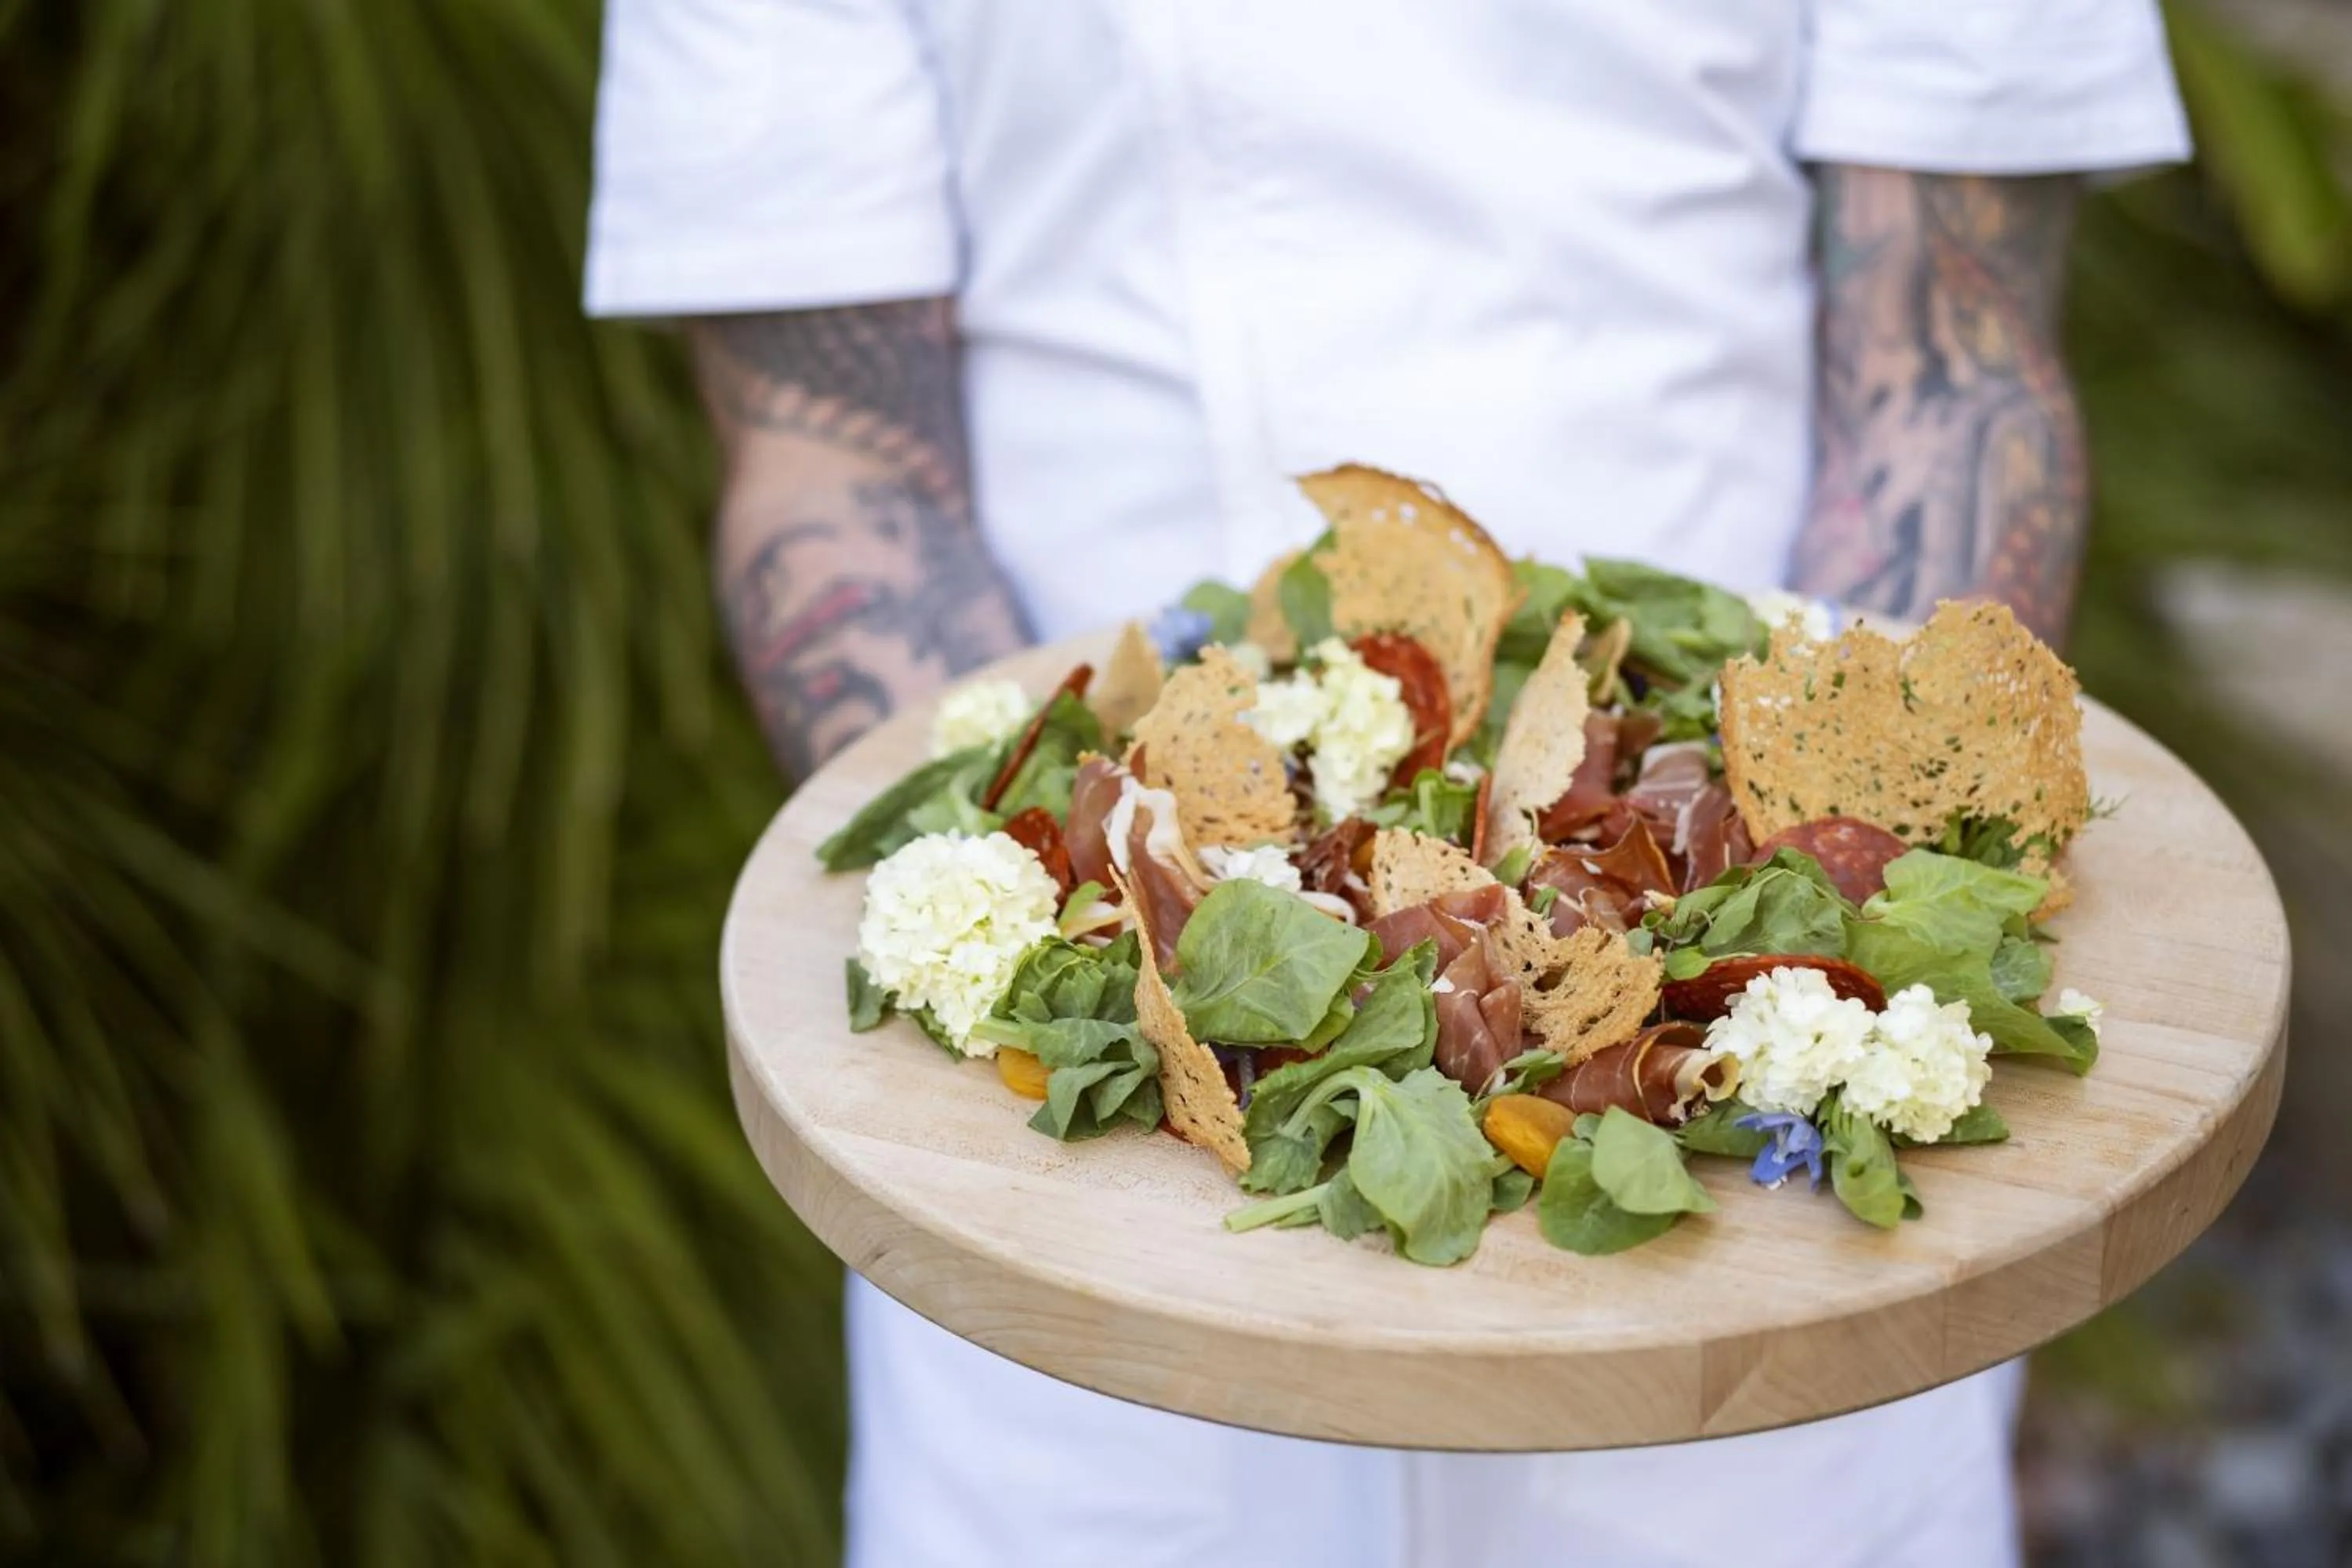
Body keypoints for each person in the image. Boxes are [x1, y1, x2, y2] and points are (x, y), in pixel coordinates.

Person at [587, 5, 2187, 1564]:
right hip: (1093, 1270)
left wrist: (1804, 931)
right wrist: (1072, 929)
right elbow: (841, 457)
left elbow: (1947, 358)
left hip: (1753, 1271)